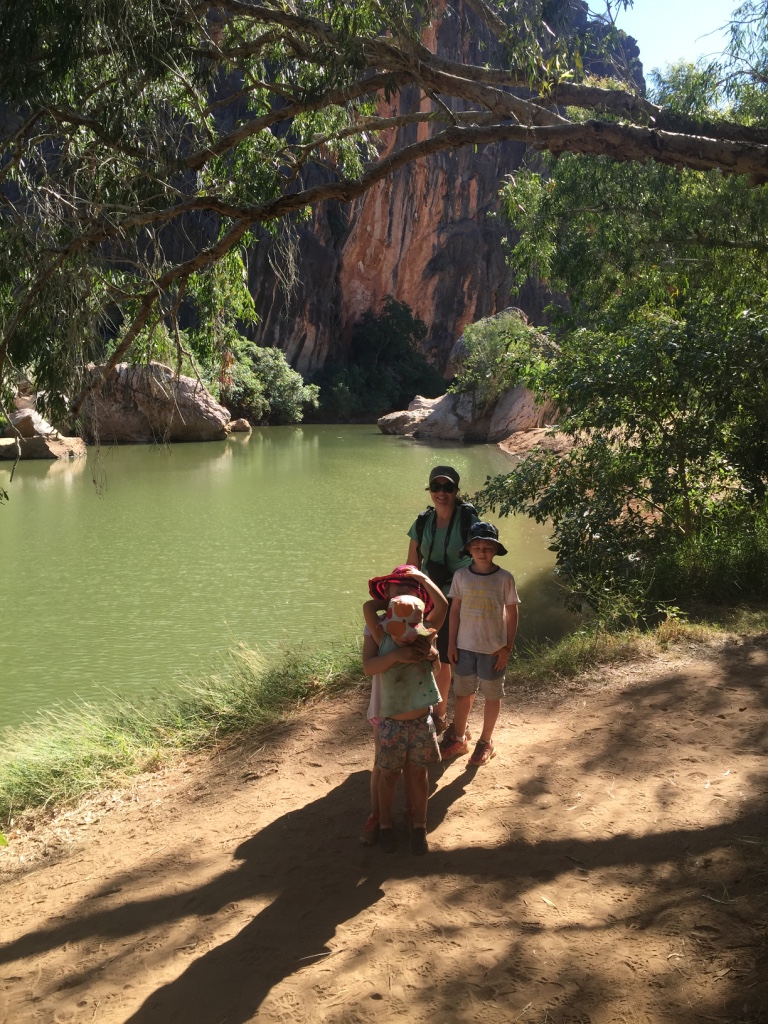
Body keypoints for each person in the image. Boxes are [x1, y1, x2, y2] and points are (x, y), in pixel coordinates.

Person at [362, 566, 448, 854]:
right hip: (390, 720)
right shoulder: (381, 633)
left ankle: (418, 825)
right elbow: (368, 664)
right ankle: (384, 824)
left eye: (413, 594)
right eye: (398, 591)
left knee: (418, 774)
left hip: (421, 719)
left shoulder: (423, 633)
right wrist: (397, 654)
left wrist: (422, 579)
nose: (406, 595)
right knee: (387, 774)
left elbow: (443, 607)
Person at [406, 465, 479, 734]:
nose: (441, 492)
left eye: (447, 487)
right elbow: (412, 565)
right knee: (429, 655)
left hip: (458, 599)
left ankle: (449, 719)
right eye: (436, 487)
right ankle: (434, 714)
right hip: (427, 598)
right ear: (430, 490)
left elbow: (481, 559)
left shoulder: (467, 521)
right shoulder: (423, 522)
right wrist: (406, 600)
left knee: (451, 658)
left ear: (456, 491)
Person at [440, 521, 520, 767]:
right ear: (469, 550)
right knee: (463, 693)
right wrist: (451, 644)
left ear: (495, 550)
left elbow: (512, 613)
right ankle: (459, 737)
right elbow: (454, 611)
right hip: (464, 647)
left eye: (488, 546)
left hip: (493, 650)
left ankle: (486, 741)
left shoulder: (504, 578)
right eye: (477, 547)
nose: (482, 551)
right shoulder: (461, 575)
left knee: (491, 696)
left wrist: (507, 648)